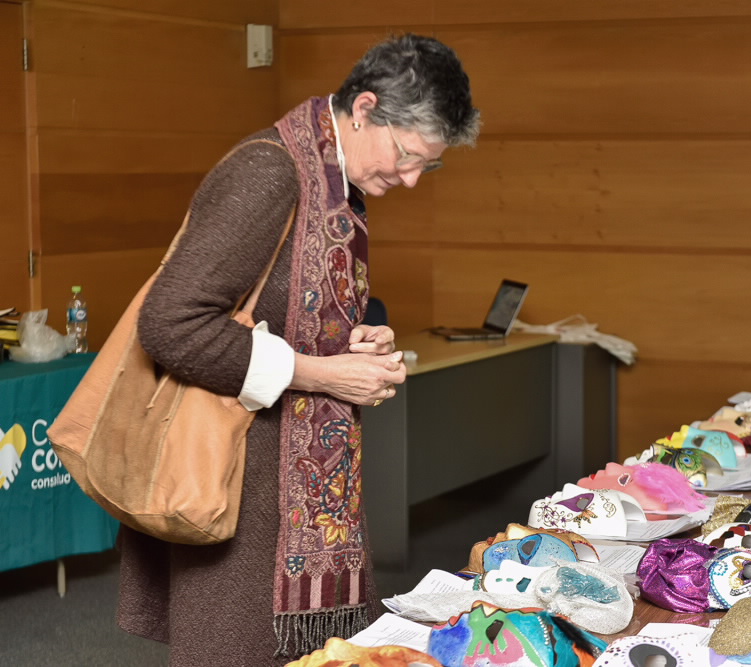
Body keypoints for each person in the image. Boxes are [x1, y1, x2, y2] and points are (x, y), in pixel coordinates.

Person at [115, 34, 480, 665]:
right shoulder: (270, 172)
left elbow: (288, 311)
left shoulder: (336, 179)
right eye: (408, 155)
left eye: (430, 165)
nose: (413, 179)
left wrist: (358, 341)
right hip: (237, 496)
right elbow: (172, 324)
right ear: (364, 109)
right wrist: (323, 374)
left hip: (302, 511)